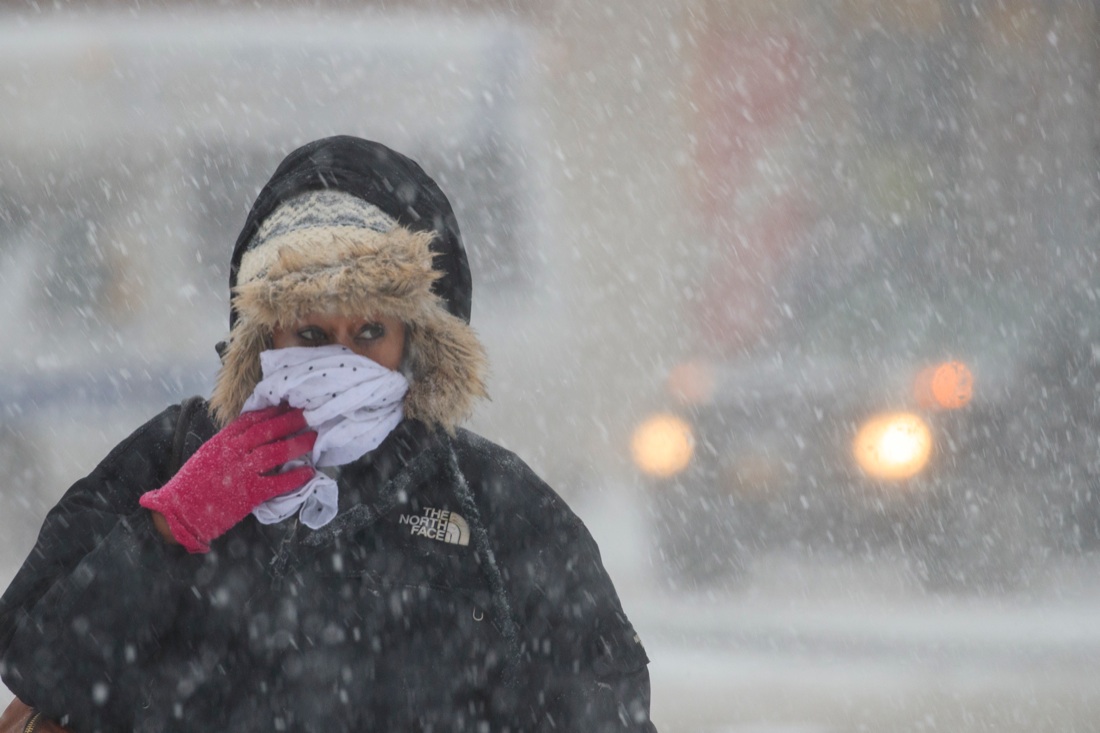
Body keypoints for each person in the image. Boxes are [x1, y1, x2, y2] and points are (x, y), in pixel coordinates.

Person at [0, 136, 657, 732]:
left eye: (369, 331)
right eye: (311, 333)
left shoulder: (488, 500)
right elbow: (32, 662)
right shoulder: (175, 454)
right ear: (264, 337)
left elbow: (603, 699)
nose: (340, 359)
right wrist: (165, 530)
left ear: (415, 339)